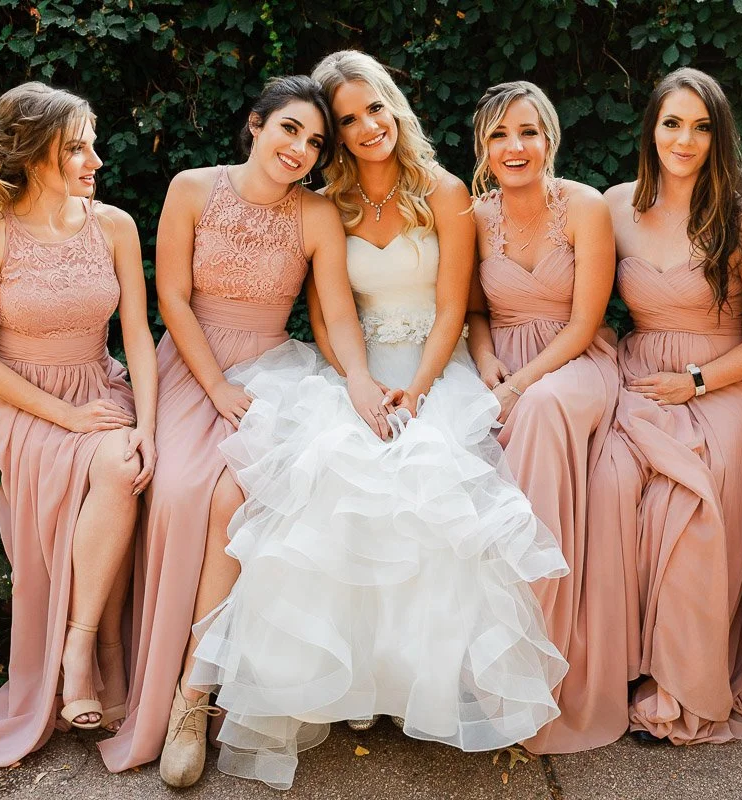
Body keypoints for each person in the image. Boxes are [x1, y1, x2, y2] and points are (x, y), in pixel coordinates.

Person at [185, 51, 568, 791]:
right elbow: (330, 315)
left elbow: (455, 307)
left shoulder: (447, 192)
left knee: (425, 479)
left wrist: (419, 391)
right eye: (349, 118)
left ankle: (411, 681)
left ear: (396, 107)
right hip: (357, 373)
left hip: (433, 371)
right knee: (336, 477)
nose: (366, 127)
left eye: (376, 109)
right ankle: (351, 682)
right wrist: (356, 386)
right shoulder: (327, 201)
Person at [97, 76, 339, 781]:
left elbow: (334, 319)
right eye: (290, 129)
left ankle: (193, 699)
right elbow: (171, 295)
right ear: (257, 125)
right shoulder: (193, 187)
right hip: (190, 366)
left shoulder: (316, 215)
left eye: (315, 141)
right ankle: (150, 672)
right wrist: (214, 387)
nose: (301, 148)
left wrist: (356, 380)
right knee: (174, 491)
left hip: (272, 371)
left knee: (239, 500)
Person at [0, 82, 156, 767]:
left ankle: (82, 642)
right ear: (36, 152)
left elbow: (137, 336)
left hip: (98, 387)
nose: (94, 158)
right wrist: (67, 416)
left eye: (92, 143)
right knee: (106, 458)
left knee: (125, 461)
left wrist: (149, 427)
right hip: (16, 400)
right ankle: (84, 656)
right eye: (77, 147)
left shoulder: (115, 225)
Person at [600, 67, 742, 745]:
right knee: (610, 484)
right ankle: (619, 664)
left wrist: (699, 381)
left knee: (688, 502)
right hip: (638, 374)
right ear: (651, 128)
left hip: (722, 383)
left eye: (701, 125)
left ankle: (679, 685)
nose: (685, 138)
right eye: (672, 122)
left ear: (720, 136)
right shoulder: (615, 206)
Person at [466, 81, 629, 753]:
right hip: (501, 361)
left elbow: (588, 319)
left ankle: (542, 649)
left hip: (575, 361)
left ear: (549, 138)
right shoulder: (474, 216)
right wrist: (483, 363)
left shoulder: (585, 208)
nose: (515, 147)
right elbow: (472, 310)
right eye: (501, 135)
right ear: (483, 145)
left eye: (528, 132)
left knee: (539, 409)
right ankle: (488, 655)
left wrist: (522, 383)